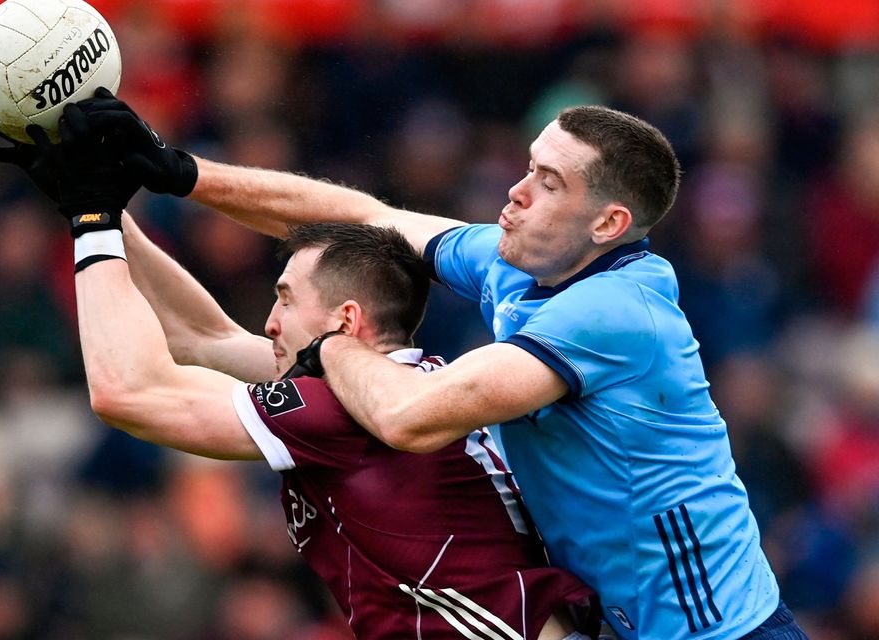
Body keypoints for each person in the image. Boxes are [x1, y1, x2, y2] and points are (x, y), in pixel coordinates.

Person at [60, 89, 809, 639]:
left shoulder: (614, 313)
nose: (514, 194)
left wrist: (331, 348)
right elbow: (360, 223)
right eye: (528, 167)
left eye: (549, 184)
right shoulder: (519, 267)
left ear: (608, 224)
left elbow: (407, 415)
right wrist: (172, 171)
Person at [0, 110, 598, 640]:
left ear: (346, 320)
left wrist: (90, 224)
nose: (269, 322)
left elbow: (128, 392)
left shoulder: (343, 413)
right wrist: (98, 200)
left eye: (286, 299)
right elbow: (202, 338)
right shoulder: (395, 383)